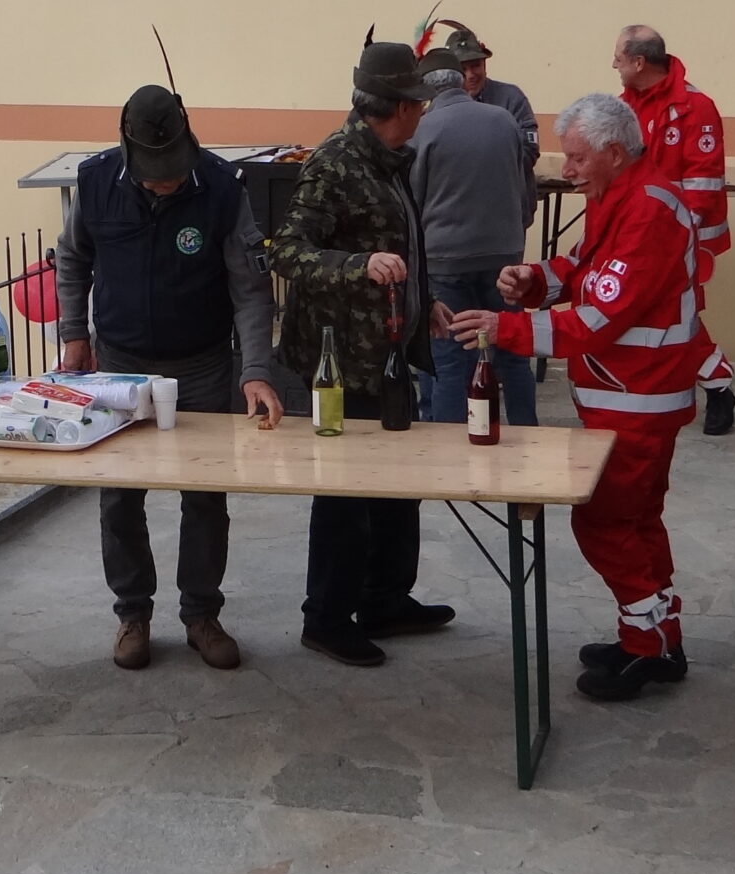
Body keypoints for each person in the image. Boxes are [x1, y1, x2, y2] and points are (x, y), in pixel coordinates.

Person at [450, 93, 704, 703]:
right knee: (636, 519)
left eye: (578, 158)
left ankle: (644, 647)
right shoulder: (624, 195)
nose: (567, 170)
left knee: (607, 522)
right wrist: (535, 279)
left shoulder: (645, 211)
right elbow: (588, 268)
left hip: (636, 399)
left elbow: (597, 318)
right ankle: (658, 637)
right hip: (632, 394)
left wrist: (501, 326)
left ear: (615, 153)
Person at [54, 85, 283, 672]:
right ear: (127, 147)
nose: (165, 182)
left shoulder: (221, 188)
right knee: (119, 499)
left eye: (172, 170)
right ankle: (133, 613)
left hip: (203, 366)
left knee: (206, 498)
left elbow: (251, 291)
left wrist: (255, 371)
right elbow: (74, 260)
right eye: (153, 173)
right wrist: (74, 335)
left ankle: (202, 614)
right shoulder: (95, 181)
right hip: (119, 365)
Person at [271, 38, 456, 667]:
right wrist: (360, 266)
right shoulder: (337, 162)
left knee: (399, 485)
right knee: (346, 495)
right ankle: (325, 617)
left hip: (387, 352)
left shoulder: (387, 159)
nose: (425, 113)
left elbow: (398, 243)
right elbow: (286, 251)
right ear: (399, 107)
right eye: (420, 104)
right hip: (340, 362)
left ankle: (384, 599)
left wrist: (420, 300)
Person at [615, 25, 735, 434]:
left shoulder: (694, 108)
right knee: (666, 312)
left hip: (683, 237)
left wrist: (682, 236)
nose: (613, 64)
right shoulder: (626, 105)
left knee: (674, 312)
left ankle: (718, 385)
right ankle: (716, 383)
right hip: (643, 232)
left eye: (618, 57)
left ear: (638, 62)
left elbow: (703, 183)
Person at [409, 52, 539, 431]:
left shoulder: (424, 130)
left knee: (452, 358)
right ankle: (526, 433)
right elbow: (525, 190)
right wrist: (514, 235)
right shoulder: (504, 120)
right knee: (513, 350)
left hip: (446, 261)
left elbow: (412, 202)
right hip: (504, 257)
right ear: (459, 82)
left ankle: (452, 446)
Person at [435, 21, 540, 168]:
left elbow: (529, 150)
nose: (470, 75)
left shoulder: (512, 98)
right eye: (463, 68)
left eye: (475, 65)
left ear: (485, 65)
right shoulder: (439, 106)